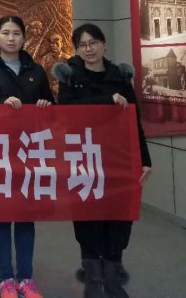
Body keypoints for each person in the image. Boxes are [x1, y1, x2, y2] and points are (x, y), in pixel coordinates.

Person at [52, 23, 152, 298]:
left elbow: (134, 122)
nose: (89, 49)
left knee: (118, 218)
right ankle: (93, 281)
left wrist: (144, 159)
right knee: (88, 217)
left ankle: (112, 279)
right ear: (77, 49)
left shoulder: (120, 76)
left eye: (93, 43)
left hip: (117, 159)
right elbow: (67, 110)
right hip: (84, 158)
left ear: (104, 44)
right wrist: (107, 100)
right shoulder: (70, 76)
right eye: (82, 45)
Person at [0, 15, 53, 298]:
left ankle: (26, 277)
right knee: (2, 215)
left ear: (24, 37)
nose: (11, 38)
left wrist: (45, 104)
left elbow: (52, 107)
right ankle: (6, 277)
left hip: (29, 151)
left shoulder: (35, 70)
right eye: (5, 33)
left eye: (17, 33)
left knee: (26, 216)